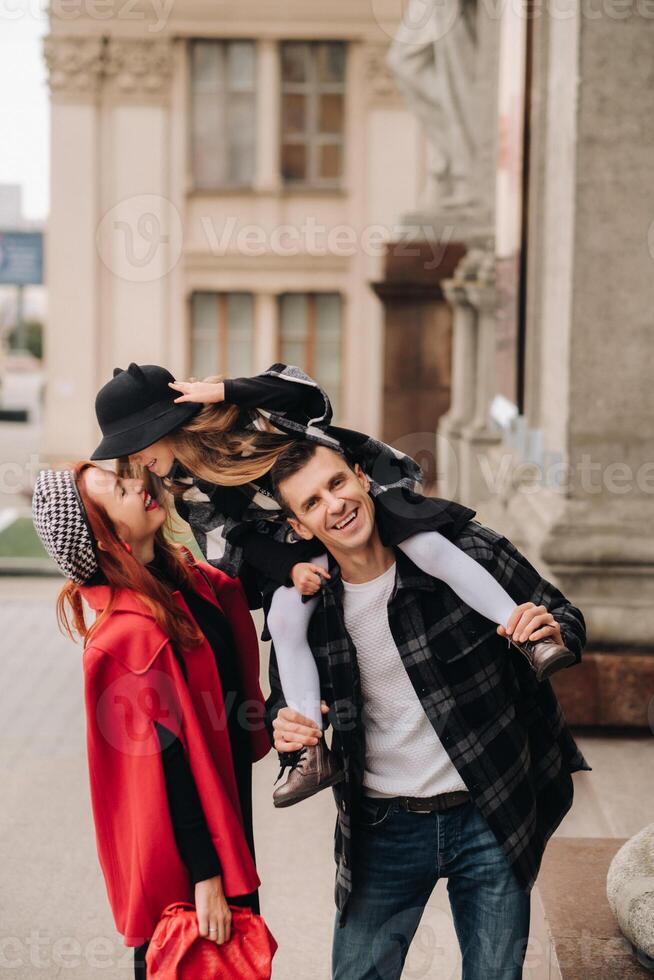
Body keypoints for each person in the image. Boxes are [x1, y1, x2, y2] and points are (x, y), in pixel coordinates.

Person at [89, 362, 575, 807]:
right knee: (284, 619)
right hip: (297, 539)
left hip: (352, 494)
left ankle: (525, 634)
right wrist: (288, 569)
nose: (133, 458)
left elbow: (308, 396)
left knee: (428, 548)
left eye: (136, 441)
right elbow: (233, 538)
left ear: (166, 423)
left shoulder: (244, 416)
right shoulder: (185, 485)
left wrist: (224, 390)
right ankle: (309, 752)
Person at [267, 440, 593, 980]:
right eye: (311, 503)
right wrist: (287, 726)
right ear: (300, 526)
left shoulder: (461, 550)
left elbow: (563, 612)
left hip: (488, 808)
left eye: (337, 484)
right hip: (380, 826)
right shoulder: (307, 607)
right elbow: (286, 698)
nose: (334, 505)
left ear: (361, 478)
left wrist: (554, 629)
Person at [32, 463, 271, 979]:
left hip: (228, 815)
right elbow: (166, 763)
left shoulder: (183, 581)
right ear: (107, 535)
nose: (139, 486)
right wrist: (206, 876)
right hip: (194, 859)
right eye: (120, 490)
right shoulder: (125, 636)